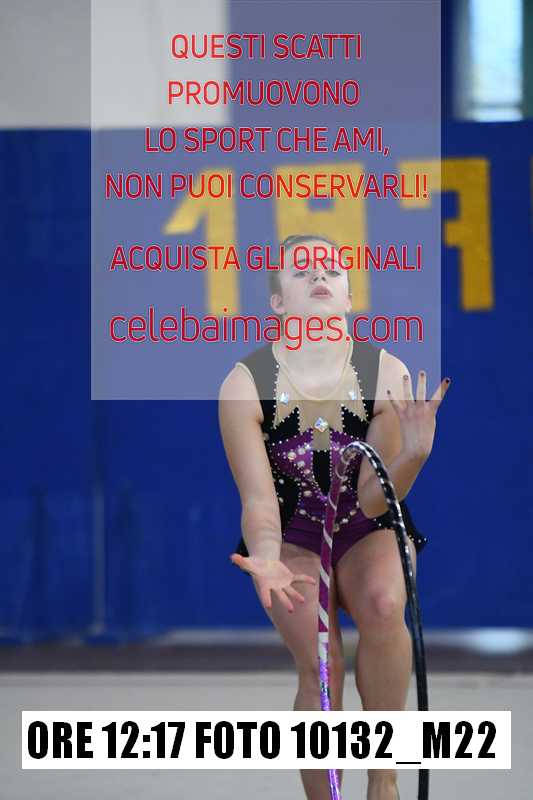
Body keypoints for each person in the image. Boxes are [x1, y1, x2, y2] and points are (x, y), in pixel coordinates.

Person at [218, 235, 450, 800]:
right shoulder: (245, 385)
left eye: (331, 270)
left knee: (384, 605)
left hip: (367, 529)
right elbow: (258, 501)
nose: (319, 276)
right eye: (302, 272)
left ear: (348, 298)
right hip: (291, 537)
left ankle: (384, 780)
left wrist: (413, 455)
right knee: (321, 662)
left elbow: (374, 499)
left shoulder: (384, 370)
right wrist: (266, 556)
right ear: (277, 302)